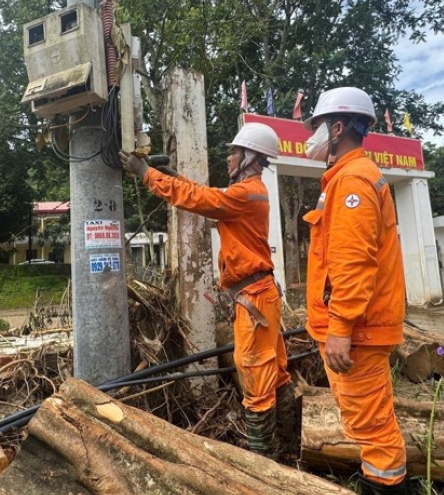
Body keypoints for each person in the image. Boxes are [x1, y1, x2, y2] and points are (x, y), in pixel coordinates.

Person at [119, 123, 298, 461]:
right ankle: (289, 451)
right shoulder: (249, 192)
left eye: (234, 152)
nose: (229, 158)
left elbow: (202, 200)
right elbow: (209, 197)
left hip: (255, 299)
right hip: (260, 296)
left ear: (250, 157)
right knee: (275, 374)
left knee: (257, 381)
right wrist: (176, 178)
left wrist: (147, 174)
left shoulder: (247, 194)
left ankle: (264, 465)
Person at [301, 87, 408, 494]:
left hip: (358, 331)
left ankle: (385, 485)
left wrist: (341, 327)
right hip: (356, 327)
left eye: (317, 127)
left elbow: (352, 263)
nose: (311, 136)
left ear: (338, 128)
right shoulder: (347, 177)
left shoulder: (353, 181)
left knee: (372, 427)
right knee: (365, 420)